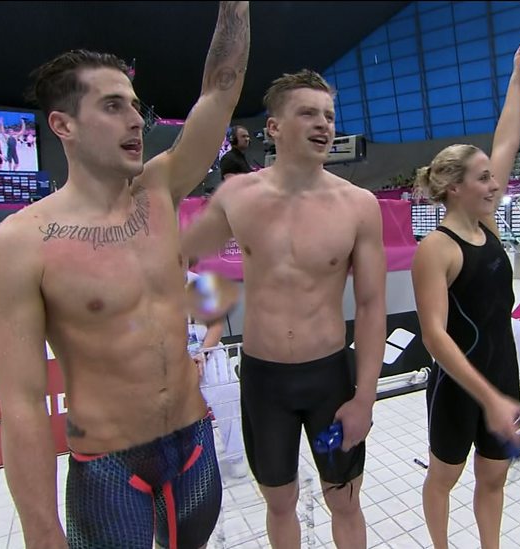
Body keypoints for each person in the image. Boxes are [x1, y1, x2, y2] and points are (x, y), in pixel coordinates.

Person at [0, 3, 249, 548]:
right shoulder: (21, 244)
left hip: (194, 447)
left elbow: (220, 92)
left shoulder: (159, 191)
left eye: (134, 106)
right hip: (108, 467)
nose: (134, 120)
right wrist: (41, 530)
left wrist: (235, 8)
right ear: (63, 125)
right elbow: (23, 407)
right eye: (111, 106)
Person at [181, 68, 386, 549]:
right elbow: (181, 260)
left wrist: (366, 397)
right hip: (264, 380)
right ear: (274, 127)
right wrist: (204, 320)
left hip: (329, 379)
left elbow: (373, 305)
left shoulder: (358, 205)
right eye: (308, 113)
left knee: (345, 501)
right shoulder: (238, 195)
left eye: (329, 115)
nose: (323, 124)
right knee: (279, 502)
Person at [410, 39, 520, 549]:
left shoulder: (488, 227)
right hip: (460, 387)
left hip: (502, 373)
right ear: (455, 187)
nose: (494, 184)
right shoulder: (436, 249)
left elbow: (506, 140)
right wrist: (490, 399)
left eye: (493, 177)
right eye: (483, 178)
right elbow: (436, 337)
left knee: (495, 477)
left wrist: (516, 79)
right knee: (445, 476)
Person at [186, 266, 246, 479]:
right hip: (173, 357)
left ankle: (236, 454)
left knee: (227, 390)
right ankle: (191, 461)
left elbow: (216, 325)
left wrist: (202, 354)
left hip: (207, 349)